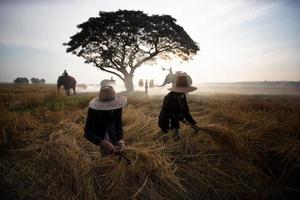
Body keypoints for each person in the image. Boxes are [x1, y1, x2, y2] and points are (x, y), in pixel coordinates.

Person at [84, 85, 127, 155]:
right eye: (105, 105)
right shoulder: (93, 110)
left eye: (110, 105)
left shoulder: (118, 107)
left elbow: (118, 123)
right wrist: (102, 142)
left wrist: (120, 140)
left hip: (112, 131)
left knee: (117, 154)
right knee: (106, 155)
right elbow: (88, 133)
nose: (108, 107)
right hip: (99, 135)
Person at [158, 75, 200, 140]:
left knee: (176, 134)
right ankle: (172, 134)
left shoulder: (183, 96)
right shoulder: (169, 98)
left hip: (175, 122)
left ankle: (176, 133)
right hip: (166, 122)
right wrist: (181, 117)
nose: (184, 92)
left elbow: (186, 111)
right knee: (168, 138)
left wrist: (192, 123)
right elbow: (167, 113)